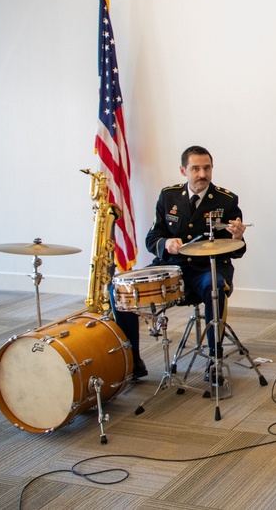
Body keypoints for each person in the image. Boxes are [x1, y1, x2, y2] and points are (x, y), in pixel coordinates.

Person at [110, 145, 246, 379]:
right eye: (195, 169)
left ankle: (215, 359)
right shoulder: (168, 196)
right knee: (119, 290)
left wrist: (238, 237)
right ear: (183, 171)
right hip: (173, 267)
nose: (202, 174)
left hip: (208, 268)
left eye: (207, 168)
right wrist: (165, 244)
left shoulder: (226, 200)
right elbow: (151, 239)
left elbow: (236, 251)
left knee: (214, 286)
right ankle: (133, 359)